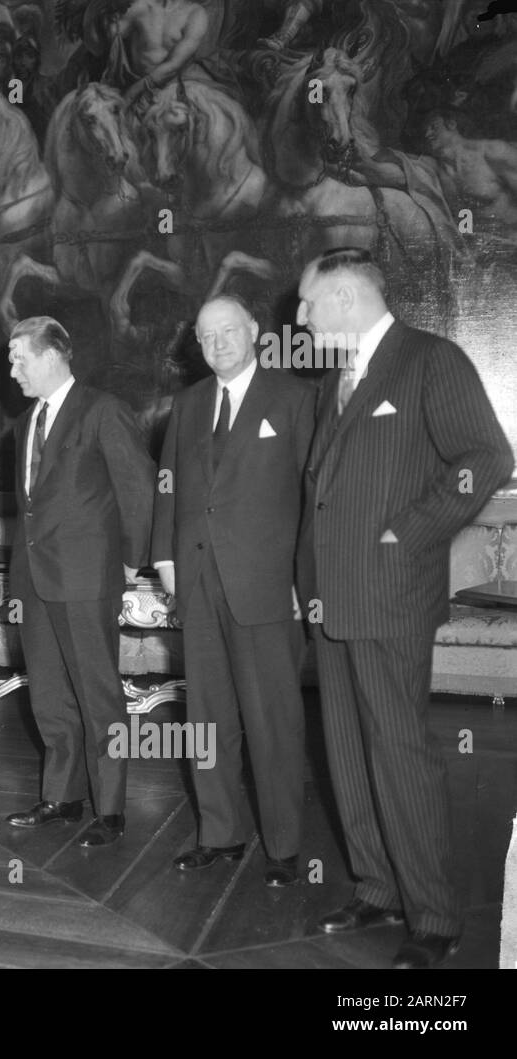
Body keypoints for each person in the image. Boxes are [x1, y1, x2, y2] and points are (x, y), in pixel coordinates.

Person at [296, 247, 514, 968]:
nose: (298, 318)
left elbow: (487, 455)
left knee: (400, 753)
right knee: (348, 753)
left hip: (388, 593)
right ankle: (378, 886)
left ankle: (434, 914)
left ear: (347, 298)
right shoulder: (338, 377)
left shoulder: (430, 358)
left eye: (308, 304)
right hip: (333, 600)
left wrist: (408, 531)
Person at [151, 295, 315, 886]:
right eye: (205, 335)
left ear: (254, 332)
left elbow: (312, 498)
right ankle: (219, 833)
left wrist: (305, 577)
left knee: (272, 719)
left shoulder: (296, 398)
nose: (217, 343)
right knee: (207, 718)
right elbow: (167, 486)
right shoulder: (189, 403)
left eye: (228, 331)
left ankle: (283, 846)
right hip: (196, 584)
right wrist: (165, 562)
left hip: (268, 588)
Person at [3, 316, 155, 844]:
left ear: (51, 356)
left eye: (19, 356)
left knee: (98, 696)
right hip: (34, 581)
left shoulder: (104, 410)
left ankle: (109, 808)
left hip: (88, 578)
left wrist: (133, 565)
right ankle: (62, 797)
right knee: (48, 694)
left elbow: (137, 490)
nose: (12, 367)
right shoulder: (24, 423)